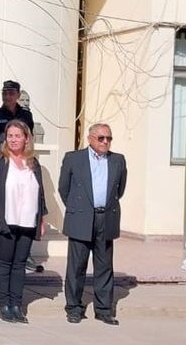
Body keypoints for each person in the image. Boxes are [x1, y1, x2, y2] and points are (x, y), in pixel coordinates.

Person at [0, 120, 47, 324]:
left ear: (26, 138)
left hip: (27, 222)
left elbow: (40, 194)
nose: (14, 140)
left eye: (18, 136)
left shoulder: (33, 164)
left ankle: (17, 305)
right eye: (10, 136)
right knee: (3, 264)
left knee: (19, 265)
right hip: (5, 221)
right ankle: (4, 305)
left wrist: (41, 220)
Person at [59, 122, 126, 326]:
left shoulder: (118, 160)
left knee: (104, 266)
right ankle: (74, 307)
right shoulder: (74, 158)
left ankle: (104, 309)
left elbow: (119, 190)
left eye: (109, 138)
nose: (105, 142)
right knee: (77, 266)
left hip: (105, 218)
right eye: (101, 138)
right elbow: (64, 189)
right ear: (90, 138)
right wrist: (78, 209)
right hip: (81, 216)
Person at [0, 80, 34, 163]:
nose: (7, 97)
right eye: (4, 94)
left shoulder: (26, 116)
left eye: (11, 93)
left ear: (18, 95)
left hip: (20, 162)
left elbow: (29, 139)